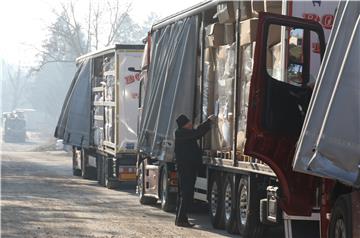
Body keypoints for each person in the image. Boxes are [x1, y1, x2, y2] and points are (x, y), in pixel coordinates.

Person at [174, 114, 216, 227]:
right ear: (184, 125)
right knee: (187, 193)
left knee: (184, 194)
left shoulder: (184, 134)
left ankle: (180, 218)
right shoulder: (181, 133)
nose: (190, 124)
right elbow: (197, 134)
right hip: (186, 169)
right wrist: (208, 122)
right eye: (188, 123)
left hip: (188, 168)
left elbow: (195, 133)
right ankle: (181, 219)